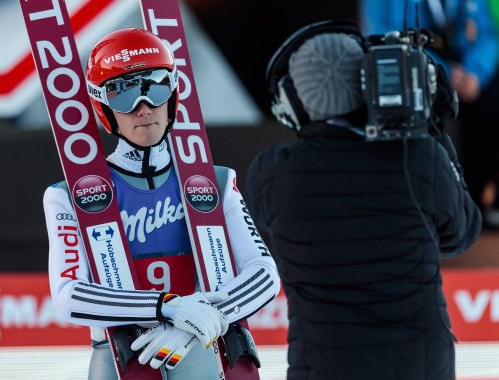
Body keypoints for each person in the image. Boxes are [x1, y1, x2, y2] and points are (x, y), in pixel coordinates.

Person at [247, 21, 482, 380]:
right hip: (419, 368)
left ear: (294, 102)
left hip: (322, 369)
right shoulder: (418, 156)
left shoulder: (271, 174)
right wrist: (432, 130)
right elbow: (460, 235)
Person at [43, 28, 279, 379]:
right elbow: (67, 296)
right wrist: (167, 308)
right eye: (122, 94)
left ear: (173, 94)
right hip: (123, 354)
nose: (143, 109)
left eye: (155, 87)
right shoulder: (68, 194)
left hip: (203, 345)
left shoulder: (216, 181)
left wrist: (199, 319)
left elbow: (265, 274)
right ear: (102, 105)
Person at [360, 0, 499, 225]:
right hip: (414, 69)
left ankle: (474, 203)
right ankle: (430, 205)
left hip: (462, 70)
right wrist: (442, 72)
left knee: (492, 95)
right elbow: (381, 37)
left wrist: (475, 74)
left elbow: (486, 34)